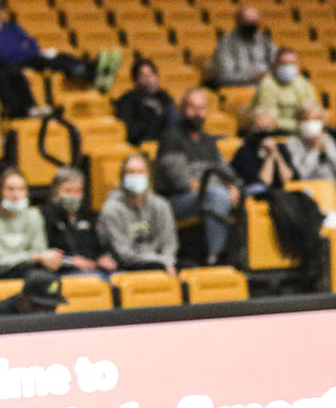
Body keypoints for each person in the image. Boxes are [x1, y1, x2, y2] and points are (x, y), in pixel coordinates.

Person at [155, 88, 241, 266]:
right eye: (192, 108)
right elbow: (182, 182)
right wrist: (221, 189)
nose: (197, 113)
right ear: (181, 110)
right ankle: (216, 255)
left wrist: (233, 187)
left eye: (201, 108)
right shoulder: (171, 138)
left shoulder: (207, 141)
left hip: (206, 194)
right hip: (175, 201)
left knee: (251, 193)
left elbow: (228, 173)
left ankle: (244, 255)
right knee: (217, 195)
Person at [0, 0, 87, 117]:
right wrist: (20, 49)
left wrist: (17, 51)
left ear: (3, 7)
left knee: (52, 55)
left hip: (24, 59)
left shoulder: (12, 27)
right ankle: (30, 109)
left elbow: (32, 46)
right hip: (5, 66)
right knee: (11, 69)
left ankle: (84, 68)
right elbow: (0, 56)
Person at [0, 168, 62, 280]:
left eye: (21, 189)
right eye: (10, 189)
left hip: (29, 268)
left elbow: (39, 250)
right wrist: (35, 257)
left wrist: (40, 257)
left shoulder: (33, 215)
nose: (16, 195)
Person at [98, 153, 178, 272]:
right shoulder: (111, 209)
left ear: (149, 176)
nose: (136, 176)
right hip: (126, 265)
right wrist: (159, 262)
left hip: (161, 262)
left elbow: (169, 243)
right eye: (131, 172)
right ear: (122, 178)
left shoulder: (161, 205)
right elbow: (123, 253)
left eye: (141, 172)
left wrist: (167, 261)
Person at [44, 167, 117, 278]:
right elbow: (46, 253)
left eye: (78, 191)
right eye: (68, 191)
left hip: (94, 269)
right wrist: (72, 262)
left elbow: (98, 246)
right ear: (55, 193)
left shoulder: (86, 215)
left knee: (119, 278)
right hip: (65, 271)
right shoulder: (46, 216)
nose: (74, 196)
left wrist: (101, 258)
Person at [282, 103, 336, 191]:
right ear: (299, 122)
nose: (311, 123)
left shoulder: (326, 139)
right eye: (306, 120)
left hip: (329, 191)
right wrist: (314, 150)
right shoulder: (292, 142)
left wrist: (328, 151)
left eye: (316, 119)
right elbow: (300, 175)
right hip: (305, 192)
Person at [230, 111, 296, 200]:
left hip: (278, 193)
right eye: (260, 128)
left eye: (268, 127)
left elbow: (287, 178)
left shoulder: (280, 148)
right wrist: (270, 157)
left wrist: (276, 154)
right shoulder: (245, 151)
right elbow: (264, 182)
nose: (265, 132)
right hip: (253, 193)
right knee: (260, 189)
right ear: (251, 129)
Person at [249, 47, 318, 132]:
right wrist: (301, 124)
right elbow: (267, 121)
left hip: (300, 133)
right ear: (275, 66)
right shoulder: (267, 84)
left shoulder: (305, 84)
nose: (288, 67)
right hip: (273, 134)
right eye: (283, 64)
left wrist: (304, 123)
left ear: (298, 66)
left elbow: (312, 115)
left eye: (292, 63)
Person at [207, 5, 277, 88]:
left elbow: (277, 62)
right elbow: (223, 76)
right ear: (238, 21)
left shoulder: (264, 40)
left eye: (254, 20)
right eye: (248, 20)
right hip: (240, 87)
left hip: (266, 87)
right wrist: (252, 76)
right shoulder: (226, 43)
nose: (252, 23)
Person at [112, 57, 174, 146]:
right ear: (135, 81)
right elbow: (130, 130)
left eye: (151, 75)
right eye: (144, 76)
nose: (149, 79)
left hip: (167, 140)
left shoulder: (164, 97)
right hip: (144, 141)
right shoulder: (129, 99)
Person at [0, 270, 66, 317]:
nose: (45, 314)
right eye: (38, 307)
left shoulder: (53, 321)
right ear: (22, 298)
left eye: (51, 308)